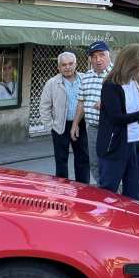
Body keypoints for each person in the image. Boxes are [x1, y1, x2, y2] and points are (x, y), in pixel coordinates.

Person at [96, 44, 139, 200]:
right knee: (108, 192)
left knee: (133, 193)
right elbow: (116, 118)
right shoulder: (110, 85)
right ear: (131, 63)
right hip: (115, 146)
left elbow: (131, 108)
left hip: (136, 145)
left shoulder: (133, 83)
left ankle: (130, 224)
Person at [39, 52, 89, 183]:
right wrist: (51, 126)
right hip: (60, 125)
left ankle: (83, 189)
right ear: (59, 68)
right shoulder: (52, 83)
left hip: (81, 124)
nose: (68, 67)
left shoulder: (85, 79)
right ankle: (62, 190)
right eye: (64, 65)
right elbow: (44, 106)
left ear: (76, 64)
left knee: (83, 158)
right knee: (61, 160)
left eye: (70, 64)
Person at [71, 41, 116, 184]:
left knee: (110, 164)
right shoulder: (87, 76)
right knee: (94, 163)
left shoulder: (118, 74)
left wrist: (107, 103)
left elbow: (130, 101)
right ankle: (102, 189)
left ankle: (115, 193)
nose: (98, 59)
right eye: (94, 56)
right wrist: (75, 124)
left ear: (109, 55)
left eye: (101, 55)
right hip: (93, 128)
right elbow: (81, 101)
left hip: (112, 130)